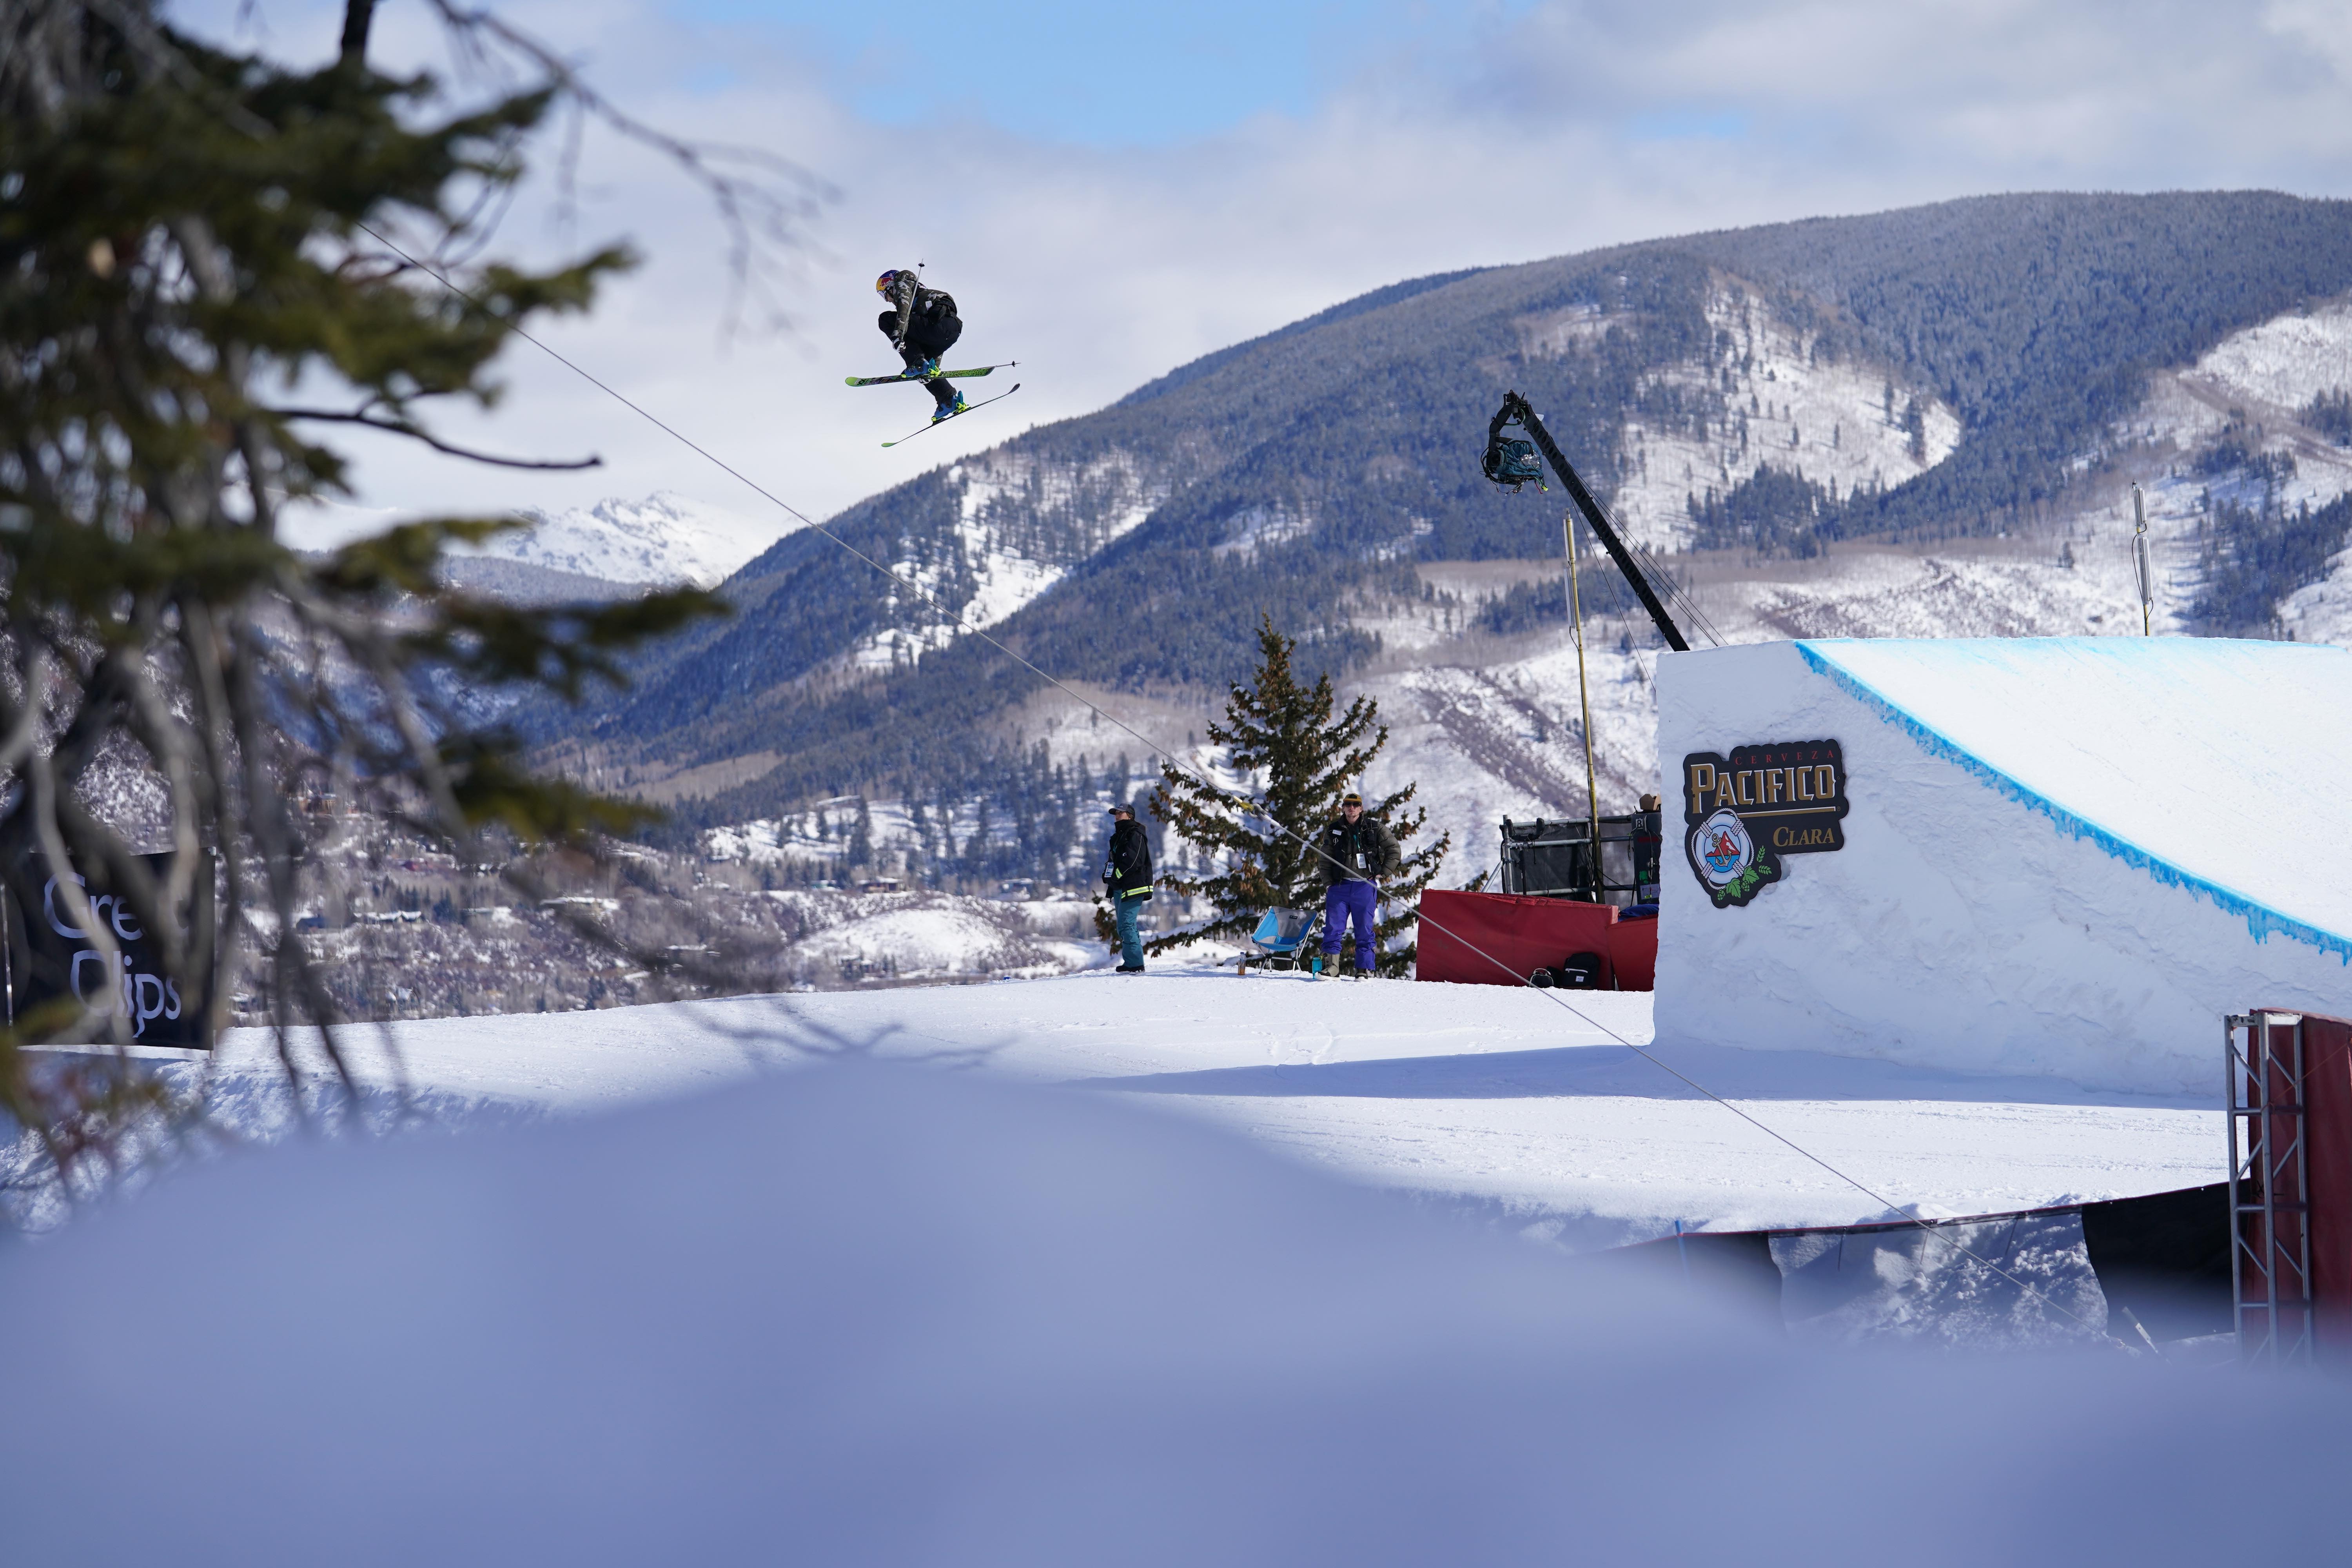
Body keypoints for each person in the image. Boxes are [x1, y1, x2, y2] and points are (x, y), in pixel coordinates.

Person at [1316, 789, 1399, 978]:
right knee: (1333, 928)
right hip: (1339, 886)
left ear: (1361, 808)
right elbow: (1324, 858)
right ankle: (1332, 967)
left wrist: (1384, 873)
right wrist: (1328, 884)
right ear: (1343, 808)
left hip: (1365, 885)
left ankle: (1364, 968)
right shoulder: (1333, 829)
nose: (1351, 808)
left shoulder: (1374, 828)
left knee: (1364, 928)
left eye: (1355, 805)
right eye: (1348, 805)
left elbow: (1394, 849)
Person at [875, 267, 967, 422]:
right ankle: (948, 400)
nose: (889, 300)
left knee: (885, 319)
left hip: (938, 325)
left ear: (889, 285)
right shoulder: (919, 296)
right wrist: (932, 371)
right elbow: (934, 338)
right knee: (924, 368)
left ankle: (918, 364)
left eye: (885, 295)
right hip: (952, 330)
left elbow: (903, 306)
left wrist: (898, 334)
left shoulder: (901, 283)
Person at [1102, 802, 1154, 974]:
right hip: (1120, 887)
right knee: (1123, 926)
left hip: (1134, 887)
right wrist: (1107, 873)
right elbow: (1115, 860)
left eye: (1121, 813)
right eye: (1116, 813)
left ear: (1130, 816)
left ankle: (1136, 965)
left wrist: (1116, 875)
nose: (1117, 815)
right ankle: (1132, 962)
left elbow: (1133, 860)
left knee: (1127, 925)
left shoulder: (1135, 834)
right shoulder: (1118, 836)